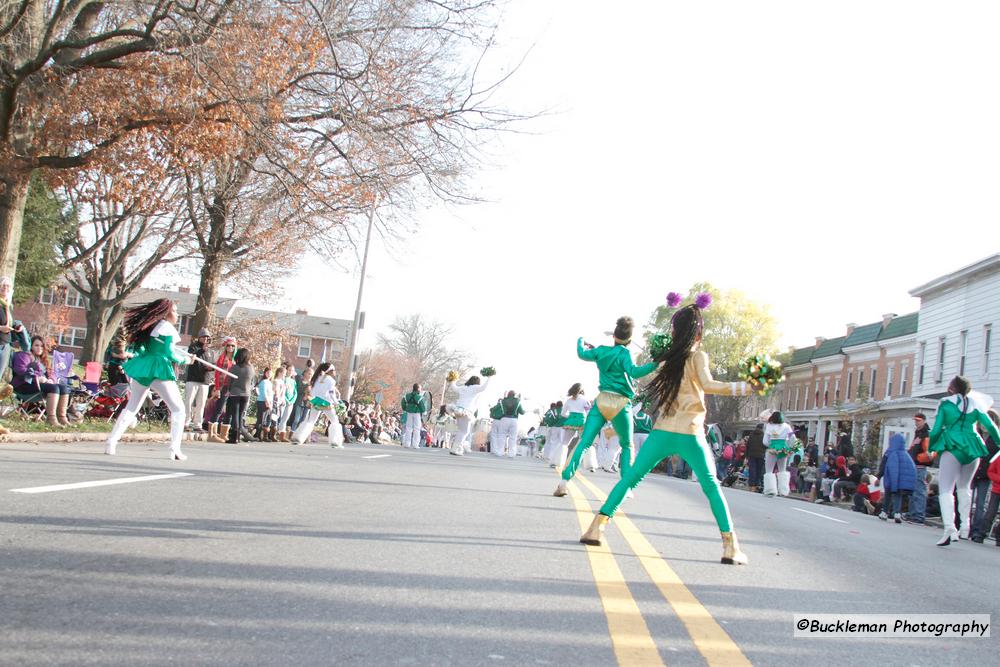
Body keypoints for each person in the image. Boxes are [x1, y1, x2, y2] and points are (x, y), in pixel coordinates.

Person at [578, 301, 756, 565]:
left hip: (662, 430)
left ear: (674, 332)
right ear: (698, 332)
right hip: (690, 432)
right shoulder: (698, 356)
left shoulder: (667, 359)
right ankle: (730, 546)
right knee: (711, 487)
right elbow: (708, 384)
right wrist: (746, 387)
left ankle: (596, 526)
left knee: (630, 479)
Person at [554, 317, 657, 497]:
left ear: (614, 336)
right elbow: (634, 372)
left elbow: (581, 353)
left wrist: (581, 341)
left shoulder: (600, 351)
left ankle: (564, 481)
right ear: (629, 340)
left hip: (601, 401)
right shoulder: (625, 354)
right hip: (621, 404)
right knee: (626, 445)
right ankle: (626, 488)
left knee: (584, 443)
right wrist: (655, 364)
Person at [105, 299, 192, 460]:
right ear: (166, 312)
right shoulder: (167, 328)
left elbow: (142, 348)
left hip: (144, 367)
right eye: (175, 311)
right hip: (159, 369)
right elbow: (169, 354)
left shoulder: (152, 327)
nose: (177, 314)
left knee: (132, 407)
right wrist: (186, 360)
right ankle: (175, 448)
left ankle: (112, 441)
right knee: (179, 409)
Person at [928, 376, 1000, 546]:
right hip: (973, 445)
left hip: (953, 444)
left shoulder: (946, 403)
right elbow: (991, 426)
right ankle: (965, 527)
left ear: (952, 388)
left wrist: (932, 447)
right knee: (964, 487)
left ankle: (949, 528)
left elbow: (936, 429)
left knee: (946, 488)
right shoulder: (975, 404)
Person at [12, 335, 73, 427]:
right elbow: (21, 371)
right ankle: (51, 419)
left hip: (39, 386)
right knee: (54, 388)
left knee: (64, 388)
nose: (39, 348)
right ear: (31, 346)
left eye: (41, 346)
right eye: (36, 345)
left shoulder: (42, 360)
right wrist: (38, 378)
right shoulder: (24, 355)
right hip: (23, 386)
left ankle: (62, 417)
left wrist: (51, 380)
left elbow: (51, 373)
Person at [290, 362, 343, 447]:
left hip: (316, 401)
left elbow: (313, 391)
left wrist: (312, 400)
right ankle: (335, 441)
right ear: (329, 371)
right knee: (334, 421)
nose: (335, 372)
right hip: (327, 403)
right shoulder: (331, 380)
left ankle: (298, 438)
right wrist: (336, 402)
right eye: (333, 370)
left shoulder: (317, 378)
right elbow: (331, 393)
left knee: (310, 421)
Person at [970, 409, 1000, 542]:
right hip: (973, 472)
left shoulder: (997, 438)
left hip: (986, 477)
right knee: (968, 502)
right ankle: (967, 529)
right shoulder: (976, 434)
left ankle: (978, 531)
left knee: (982, 505)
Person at [446, 373, 492, 456]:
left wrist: (452, 380)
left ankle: (458, 447)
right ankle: (455, 448)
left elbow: (454, 388)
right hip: (466, 411)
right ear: (477, 382)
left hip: (457, 410)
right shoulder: (474, 387)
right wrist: (489, 377)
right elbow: (484, 387)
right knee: (464, 432)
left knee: (461, 431)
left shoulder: (463, 388)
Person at [877, 433, 916, 523]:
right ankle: (897, 513)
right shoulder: (906, 455)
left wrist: (879, 477)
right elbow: (910, 469)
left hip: (890, 478)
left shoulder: (889, 453)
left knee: (888, 495)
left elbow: (883, 466)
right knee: (898, 495)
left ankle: (885, 512)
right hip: (900, 481)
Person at [551, 385, 591, 471]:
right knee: (584, 442)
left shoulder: (568, 400)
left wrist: (571, 416)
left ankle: (557, 462)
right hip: (582, 421)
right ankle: (589, 465)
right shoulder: (585, 400)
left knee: (564, 443)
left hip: (570, 420)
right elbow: (589, 413)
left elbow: (562, 414)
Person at [904, 413, 934, 524]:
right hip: (914, 466)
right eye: (915, 420)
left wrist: (921, 457)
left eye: (918, 420)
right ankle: (912, 514)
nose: (916, 422)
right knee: (913, 491)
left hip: (920, 466)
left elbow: (928, 452)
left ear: (924, 421)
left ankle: (919, 515)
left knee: (919, 491)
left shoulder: (925, 434)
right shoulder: (918, 434)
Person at [206, 337, 238, 443]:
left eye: (233, 346)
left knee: (229, 410)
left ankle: (224, 434)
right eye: (228, 345)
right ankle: (212, 434)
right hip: (223, 386)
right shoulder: (222, 358)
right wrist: (218, 387)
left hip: (233, 387)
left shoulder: (235, 360)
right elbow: (217, 374)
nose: (230, 347)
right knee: (219, 409)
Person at [183, 328, 213, 432]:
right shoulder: (193, 347)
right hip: (193, 379)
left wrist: (210, 368)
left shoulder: (210, 352)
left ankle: (197, 424)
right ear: (199, 337)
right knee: (189, 402)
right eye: (204, 336)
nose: (205, 339)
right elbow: (192, 357)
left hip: (204, 380)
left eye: (207, 337)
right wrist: (201, 350)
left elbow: (212, 364)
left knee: (201, 404)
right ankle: (185, 423)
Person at [762, 411, 796, 497]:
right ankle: (783, 490)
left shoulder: (769, 426)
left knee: (769, 470)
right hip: (783, 448)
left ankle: (770, 490)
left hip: (772, 448)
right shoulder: (786, 426)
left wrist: (771, 445)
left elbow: (765, 441)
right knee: (782, 469)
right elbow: (793, 438)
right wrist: (788, 447)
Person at [225, 349, 254, 444]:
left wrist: (229, 390)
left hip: (235, 393)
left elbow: (229, 380)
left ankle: (234, 436)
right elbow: (252, 381)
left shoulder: (234, 367)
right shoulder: (251, 368)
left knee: (235, 415)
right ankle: (238, 435)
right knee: (240, 415)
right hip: (246, 393)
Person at [497, 390, 525, 457]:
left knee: (502, 435)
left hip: (504, 419)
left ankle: (500, 452)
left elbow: (500, 410)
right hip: (514, 420)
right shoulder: (517, 401)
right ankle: (511, 453)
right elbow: (522, 412)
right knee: (513, 437)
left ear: (508, 394)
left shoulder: (503, 401)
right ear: (514, 395)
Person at [401, 383, 427, 448]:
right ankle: (415, 444)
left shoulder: (407, 395)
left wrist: (404, 409)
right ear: (418, 389)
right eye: (420, 388)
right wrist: (424, 412)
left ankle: (407, 443)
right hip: (416, 413)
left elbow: (403, 402)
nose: (421, 389)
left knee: (408, 428)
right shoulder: (419, 397)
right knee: (417, 428)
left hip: (409, 413)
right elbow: (422, 405)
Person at [276, 364, 298, 442]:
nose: (290, 372)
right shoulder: (283, 379)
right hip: (283, 401)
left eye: (292, 370)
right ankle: (276, 433)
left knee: (285, 418)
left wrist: (292, 401)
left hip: (290, 403)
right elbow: (282, 392)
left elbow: (295, 393)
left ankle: (282, 435)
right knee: (279, 417)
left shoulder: (293, 381)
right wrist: (286, 400)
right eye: (289, 370)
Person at [745, 424, 766, 492]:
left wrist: (746, 456)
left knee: (752, 470)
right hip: (761, 455)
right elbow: (766, 445)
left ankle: (751, 486)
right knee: (759, 471)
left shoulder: (751, 435)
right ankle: (757, 485)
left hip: (752, 455)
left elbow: (748, 445)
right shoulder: (764, 435)